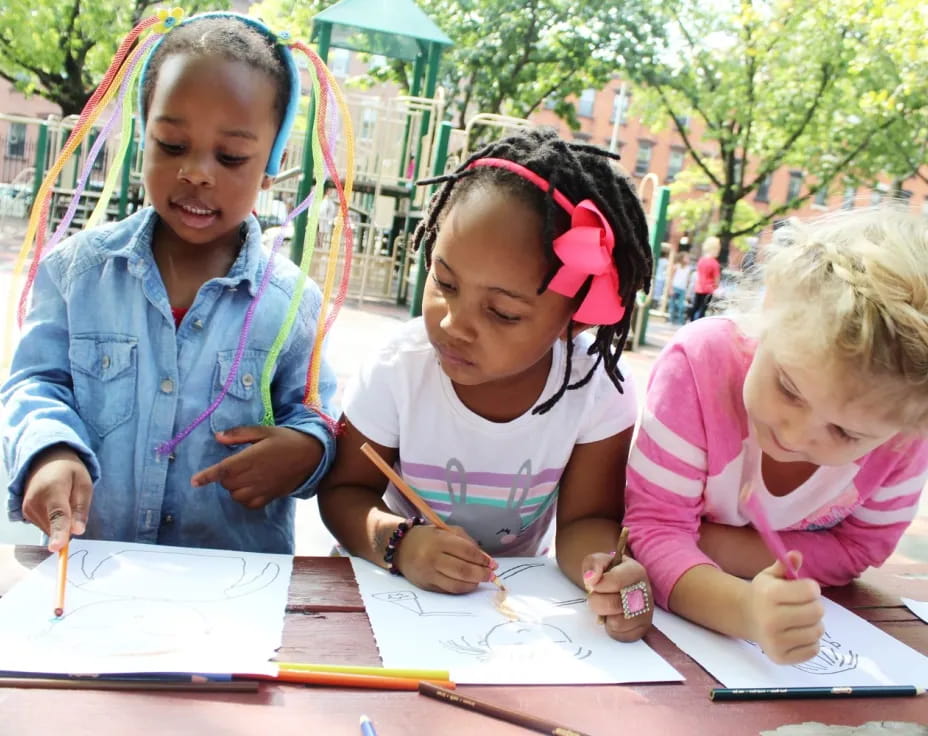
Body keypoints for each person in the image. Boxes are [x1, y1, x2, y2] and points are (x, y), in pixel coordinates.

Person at [1, 13, 346, 554]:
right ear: (144, 139)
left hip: (231, 591)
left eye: (230, 156)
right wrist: (49, 450)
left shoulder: (292, 303)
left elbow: (318, 413)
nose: (197, 172)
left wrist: (305, 449)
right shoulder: (76, 273)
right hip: (95, 574)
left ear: (272, 166)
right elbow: (35, 384)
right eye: (170, 144)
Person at [319, 128, 655, 641]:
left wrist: (606, 573)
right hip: (383, 605)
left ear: (576, 320)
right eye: (444, 282)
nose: (454, 323)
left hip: (512, 619)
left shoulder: (597, 391)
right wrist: (400, 544)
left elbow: (586, 519)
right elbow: (343, 491)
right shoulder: (398, 367)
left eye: (502, 312)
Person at [624, 206, 928, 664]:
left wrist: (705, 541)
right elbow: (650, 531)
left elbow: (860, 551)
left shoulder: (906, 434)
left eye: (846, 433)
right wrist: (744, 610)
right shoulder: (700, 369)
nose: (796, 433)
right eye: (788, 387)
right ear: (771, 305)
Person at [687, 236, 721, 321]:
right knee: (702, 310)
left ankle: (690, 322)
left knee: (695, 307)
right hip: (708, 290)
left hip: (698, 288)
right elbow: (717, 281)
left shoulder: (701, 260)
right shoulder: (715, 263)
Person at [668, 251, 691, 325]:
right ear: (682, 258)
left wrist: (687, 291)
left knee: (681, 306)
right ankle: (671, 320)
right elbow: (671, 278)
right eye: (686, 258)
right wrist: (670, 288)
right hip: (675, 287)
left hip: (683, 289)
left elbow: (688, 280)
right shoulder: (676, 266)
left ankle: (679, 321)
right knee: (672, 305)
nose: (688, 259)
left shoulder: (688, 268)